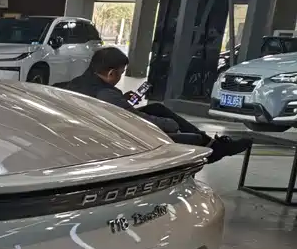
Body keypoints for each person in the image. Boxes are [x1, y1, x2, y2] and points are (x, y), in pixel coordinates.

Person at [63, 47, 251, 164]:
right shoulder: (107, 94)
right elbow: (138, 121)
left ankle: (214, 145)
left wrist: (123, 101)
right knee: (190, 137)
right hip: (120, 136)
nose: (120, 77)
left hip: (99, 127)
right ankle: (214, 149)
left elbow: (116, 107)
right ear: (111, 73)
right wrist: (170, 124)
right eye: (121, 73)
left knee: (156, 108)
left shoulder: (77, 83)